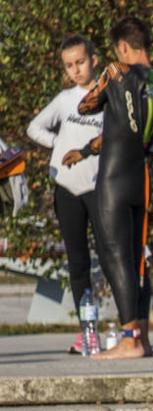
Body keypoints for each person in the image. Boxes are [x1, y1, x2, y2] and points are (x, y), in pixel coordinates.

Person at [76, 16, 153, 359]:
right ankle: (143, 337)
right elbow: (138, 131)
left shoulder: (117, 71)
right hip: (140, 178)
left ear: (123, 47)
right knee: (137, 258)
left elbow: (85, 105)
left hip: (113, 179)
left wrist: (103, 85)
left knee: (115, 255)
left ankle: (129, 339)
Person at [28, 35, 104, 355]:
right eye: (69, 65)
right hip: (67, 189)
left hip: (99, 187)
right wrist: (58, 145)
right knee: (78, 262)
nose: (75, 70)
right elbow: (35, 128)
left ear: (94, 60)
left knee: (111, 257)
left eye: (80, 62)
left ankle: (129, 329)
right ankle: (88, 333)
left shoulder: (108, 96)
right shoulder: (64, 100)